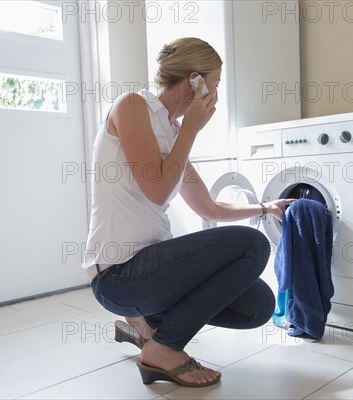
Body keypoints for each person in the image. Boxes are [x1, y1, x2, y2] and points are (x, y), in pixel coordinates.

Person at [82, 37, 294, 387]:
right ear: (196, 80)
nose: (216, 92)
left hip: (152, 274)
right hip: (118, 276)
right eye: (216, 83)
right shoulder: (133, 105)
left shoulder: (173, 131)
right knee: (252, 245)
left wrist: (264, 208)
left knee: (258, 305)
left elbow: (208, 206)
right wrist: (192, 128)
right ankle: (163, 348)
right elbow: (158, 189)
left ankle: (146, 327)